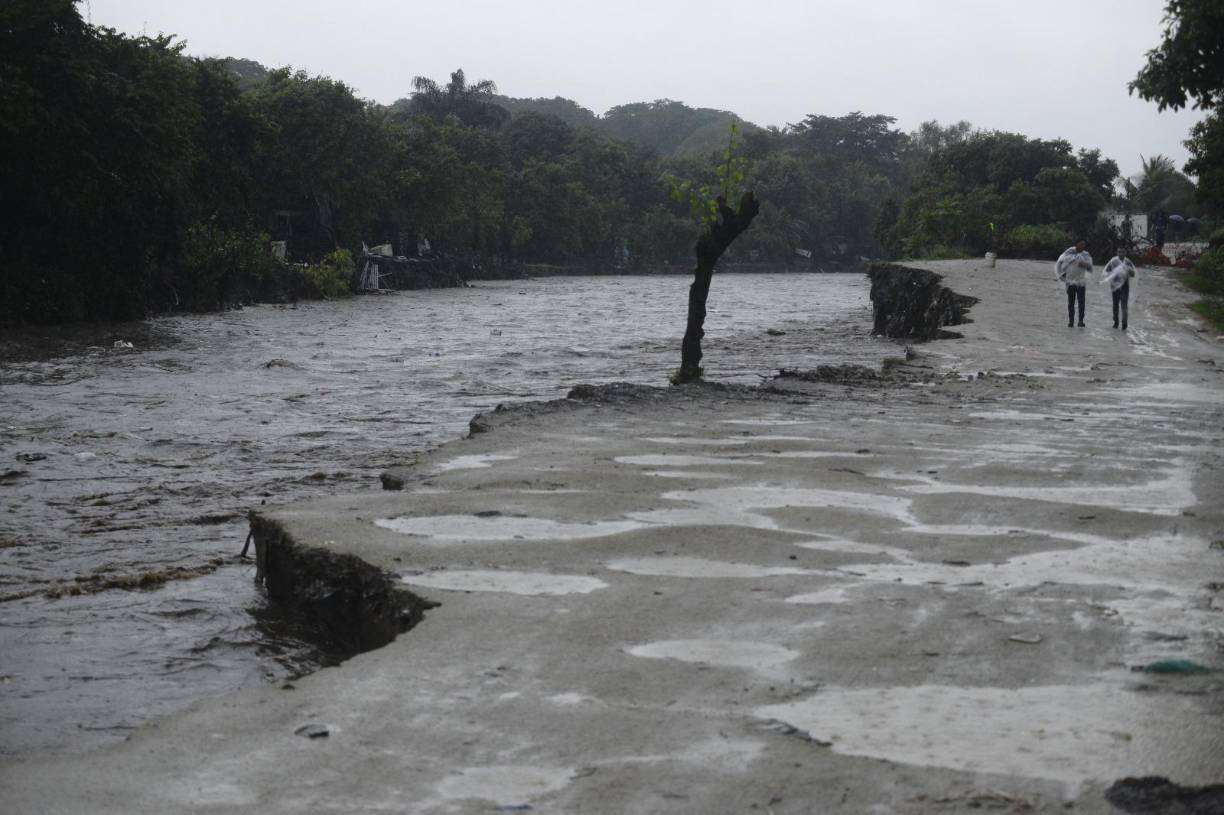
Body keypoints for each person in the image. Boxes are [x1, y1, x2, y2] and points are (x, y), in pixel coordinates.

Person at [1056, 240, 1093, 327]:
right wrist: (1060, 275)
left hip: (1081, 283)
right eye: (1081, 244)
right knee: (1071, 302)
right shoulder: (1069, 252)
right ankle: (1071, 321)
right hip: (1070, 282)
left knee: (1081, 302)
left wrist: (1083, 264)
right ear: (1076, 244)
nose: (1083, 246)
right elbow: (1060, 263)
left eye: (1084, 244)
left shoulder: (1086, 254)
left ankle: (1080, 321)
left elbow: (1090, 268)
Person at [1100, 249, 1137, 330]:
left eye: (1123, 252)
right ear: (1117, 253)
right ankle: (1116, 322)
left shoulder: (1128, 262)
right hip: (1114, 285)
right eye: (1119, 252)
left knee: (1124, 305)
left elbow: (1133, 274)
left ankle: (1124, 323)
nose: (1121, 253)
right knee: (1115, 304)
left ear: (1125, 253)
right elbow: (1106, 271)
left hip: (1125, 286)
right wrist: (1115, 272)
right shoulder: (1113, 261)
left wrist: (1128, 269)